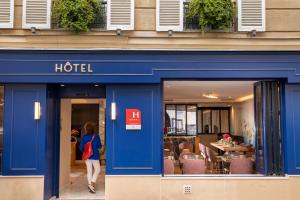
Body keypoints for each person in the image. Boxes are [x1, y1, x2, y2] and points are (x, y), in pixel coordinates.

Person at [79, 122, 102, 193]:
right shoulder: (96, 136)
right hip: (95, 156)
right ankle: (92, 183)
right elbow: (99, 146)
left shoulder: (84, 137)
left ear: (86, 129)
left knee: (89, 171)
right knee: (97, 170)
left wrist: (85, 151)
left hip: (87, 156)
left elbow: (81, 147)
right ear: (93, 129)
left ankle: (90, 184)